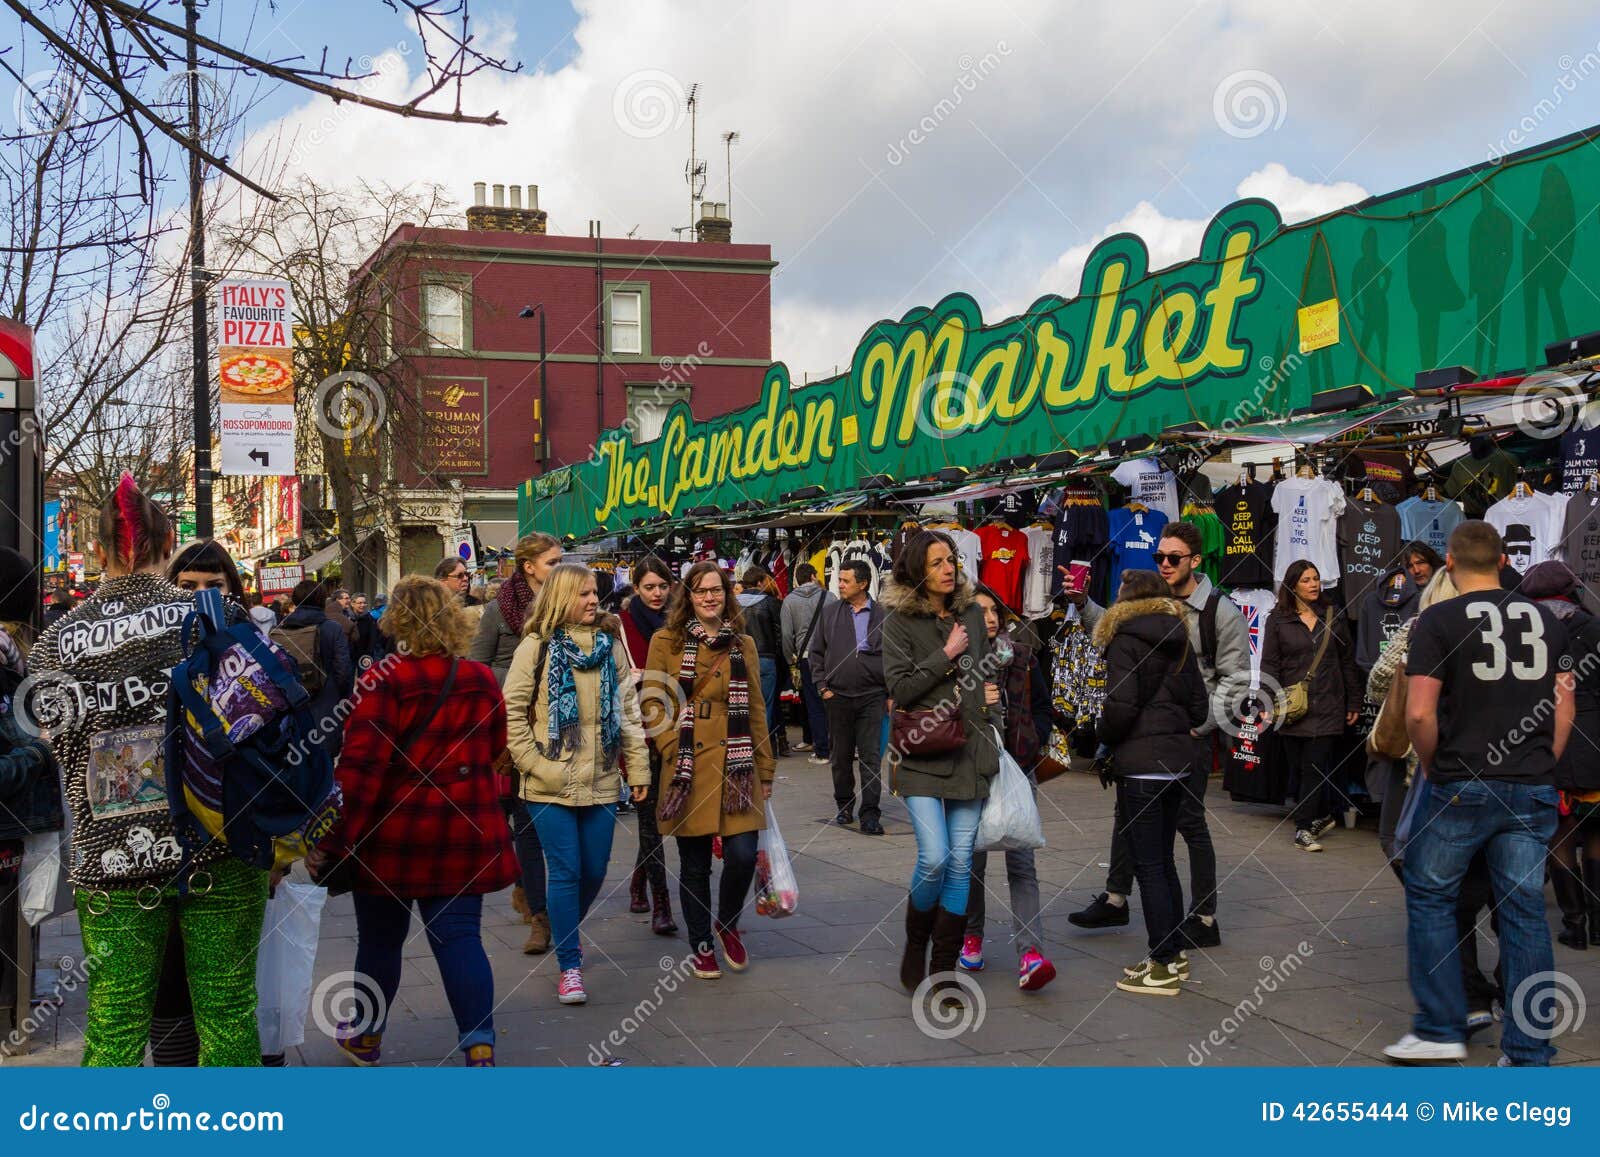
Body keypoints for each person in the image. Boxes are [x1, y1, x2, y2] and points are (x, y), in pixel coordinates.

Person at [32, 475, 268, 1066]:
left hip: (111, 857)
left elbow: (48, 738)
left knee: (113, 1023)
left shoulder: (57, 642)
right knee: (227, 1009)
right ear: (169, 545)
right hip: (218, 841)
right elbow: (259, 722)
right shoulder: (215, 615)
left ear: (97, 548)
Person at [1384, 522, 1573, 1067]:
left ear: (1449, 561)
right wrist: (1543, 760)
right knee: (1524, 914)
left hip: (1462, 779)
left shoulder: (1437, 620)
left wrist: (1432, 762)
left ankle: (1441, 1025)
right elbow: (1565, 705)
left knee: (1431, 893)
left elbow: (1419, 711)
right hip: (1530, 782)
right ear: (1502, 561)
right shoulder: (1547, 620)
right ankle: (1527, 1049)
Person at [310, 575, 517, 1067]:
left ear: (397, 620)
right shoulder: (480, 679)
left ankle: (365, 1038)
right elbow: (493, 750)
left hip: (393, 838)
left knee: (380, 942)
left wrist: (333, 840)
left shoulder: (384, 680)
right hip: (462, 831)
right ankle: (479, 1044)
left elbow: (360, 771)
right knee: (462, 939)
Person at [1067, 521, 1247, 946]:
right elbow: (1119, 631)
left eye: (1173, 558)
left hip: (1190, 738)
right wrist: (1085, 603)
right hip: (1144, 736)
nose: (1163, 564)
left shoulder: (1220, 611)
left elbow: (1236, 683)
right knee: (1129, 816)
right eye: (1159, 557)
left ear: (1196, 561)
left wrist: (1197, 726)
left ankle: (1204, 918)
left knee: (1189, 824)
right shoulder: (1154, 602)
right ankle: (1115, 898)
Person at [503, 565, 650, 1004]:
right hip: (549, 784)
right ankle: (569, 964)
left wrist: (638, 770)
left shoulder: (610, 646)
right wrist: (536, 765)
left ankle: (565, 927)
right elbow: (511, 714)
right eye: (583, 593)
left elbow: (629, 712)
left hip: (603, 777)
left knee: (595, 870)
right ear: (561, 597)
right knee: (566, 871)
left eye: (594, 593)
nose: (593, 600)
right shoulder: (536, 647)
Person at [642, 561, 775, 980]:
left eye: (716, 590)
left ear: (727, 593)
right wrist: (668, 747)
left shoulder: (744, 644)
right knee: (695, 862)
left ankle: (727, 922)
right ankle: (701, 945)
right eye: (701, 591)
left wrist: (765, 769)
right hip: (688, 763)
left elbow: (756, 708)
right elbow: (653, 701)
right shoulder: (666, 640)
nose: (710, 597)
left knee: (740, 855)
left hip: (737, 764)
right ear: (689, 596)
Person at [881, 530, 999, 998]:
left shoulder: (972, 610)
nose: (948, 568)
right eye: (936, 562)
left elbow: (988, 671)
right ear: (916, 571)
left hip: (970, 751)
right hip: (922, 752)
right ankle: (916, 943)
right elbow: (902, 689)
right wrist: (947, 654)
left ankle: (945, 970)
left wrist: (995, 717)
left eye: (951, 559)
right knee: (934, 857)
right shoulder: (896, 620)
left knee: (961, 864)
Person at [1093, 570, 1210, 995]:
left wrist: (1102, 734)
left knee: (1149, 866)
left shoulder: (1125, 640)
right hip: (1179, 764)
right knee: (1164, 861)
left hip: (1141, 767)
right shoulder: (1181, 639)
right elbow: (1199, 708)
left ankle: (1160, 964)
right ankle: (1174, 953)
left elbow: (1121, 706)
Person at [470, 532, 562, 954]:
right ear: (529, 567)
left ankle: (539, 893)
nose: (558, 569)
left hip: (563, 723)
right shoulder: (498, 610)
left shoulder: (572, 605)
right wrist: (517, 685)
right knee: (523, 816)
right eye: (551, 563)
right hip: (514, 725)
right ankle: (539, 913)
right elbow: (478, 668)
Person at [962, 587, 1056, 990]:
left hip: (1018, 767)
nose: (990, 617)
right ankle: (972, 935)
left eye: (994, 610)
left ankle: (1030, 953)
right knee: (973, 861)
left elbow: (1043, 707)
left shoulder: (1022, 656)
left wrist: (1032, 742)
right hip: (971, 771)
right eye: (980, 611)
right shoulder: (958, 661)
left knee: (1022, 860)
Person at [1519, 562, 1600, 951]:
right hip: (1595, 741)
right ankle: (1599, 923)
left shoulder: (1529, 633)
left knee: (1560, 833)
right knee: (1598, 832)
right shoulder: (1594, 626)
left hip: (1551, 739)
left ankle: (1576, 924)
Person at [1260, 560, 1362, 852]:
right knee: (1299, 769)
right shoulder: (1277, 619)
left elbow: (1347, 662)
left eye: (1316, 578)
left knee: (1314, 768)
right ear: (1293, 586)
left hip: (1328, 703)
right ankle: (1322, 815)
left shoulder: (1333, 615)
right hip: (1293, 708)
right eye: (1306, 580)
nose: (1314, 584)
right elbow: (1270, 663)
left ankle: (1303, 829)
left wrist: (1353, 699)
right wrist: (1268, 700)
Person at [619, 556, 679, 935]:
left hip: (674, 728)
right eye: (649, 587)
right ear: (636, 588)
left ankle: (639, 881)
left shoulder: (679, 623)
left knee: (661, 815)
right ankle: (662, 904)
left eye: (662, 586)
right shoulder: (621, 627)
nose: (657, 594)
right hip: (639, 732)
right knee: (648, 816)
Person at [807, 559, 887, 834]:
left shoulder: (883, 615)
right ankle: (844, 805)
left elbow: (895, 655)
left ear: (862, 584)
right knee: (840, 757)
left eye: (845, 581)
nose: (839, 585)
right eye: (839, 580)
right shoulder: (830, 613)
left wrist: (889, 692)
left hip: (872, 696)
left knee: (871, 757)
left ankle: (870, 814)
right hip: (838, 696)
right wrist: (822, 687)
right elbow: (815, 652)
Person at [271, 579, 356, 760]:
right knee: (325, 758)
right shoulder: (332, 628)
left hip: (292, 702)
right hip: (326, 701)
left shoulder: (279, 630)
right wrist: (344, 698)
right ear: (322, 600)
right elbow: (343, 669)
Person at [782, 562, 833, 765]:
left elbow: (787, 634)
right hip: (831, 656)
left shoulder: (789, 601)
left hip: (806, 658)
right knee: (834, 702)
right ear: (813, 576)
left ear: (797, 579)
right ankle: (841, 746)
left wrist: (790, 659)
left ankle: (822, 750)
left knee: (814, 705)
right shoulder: (829, 596)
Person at [736, 566, 785, 755]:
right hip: (766, 659)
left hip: (739, 659)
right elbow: (780, 633)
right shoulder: (771, 603)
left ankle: (744, 745)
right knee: (765, 705)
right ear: (759, 583)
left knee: (742, 703)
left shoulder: (732, 604)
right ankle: (761, 749)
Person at [325, 587, 360, 651]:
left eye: (349, 598)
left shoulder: (350, 614)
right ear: (337, 600)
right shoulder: (331, 614)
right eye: (346, 598)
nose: (349, 600)